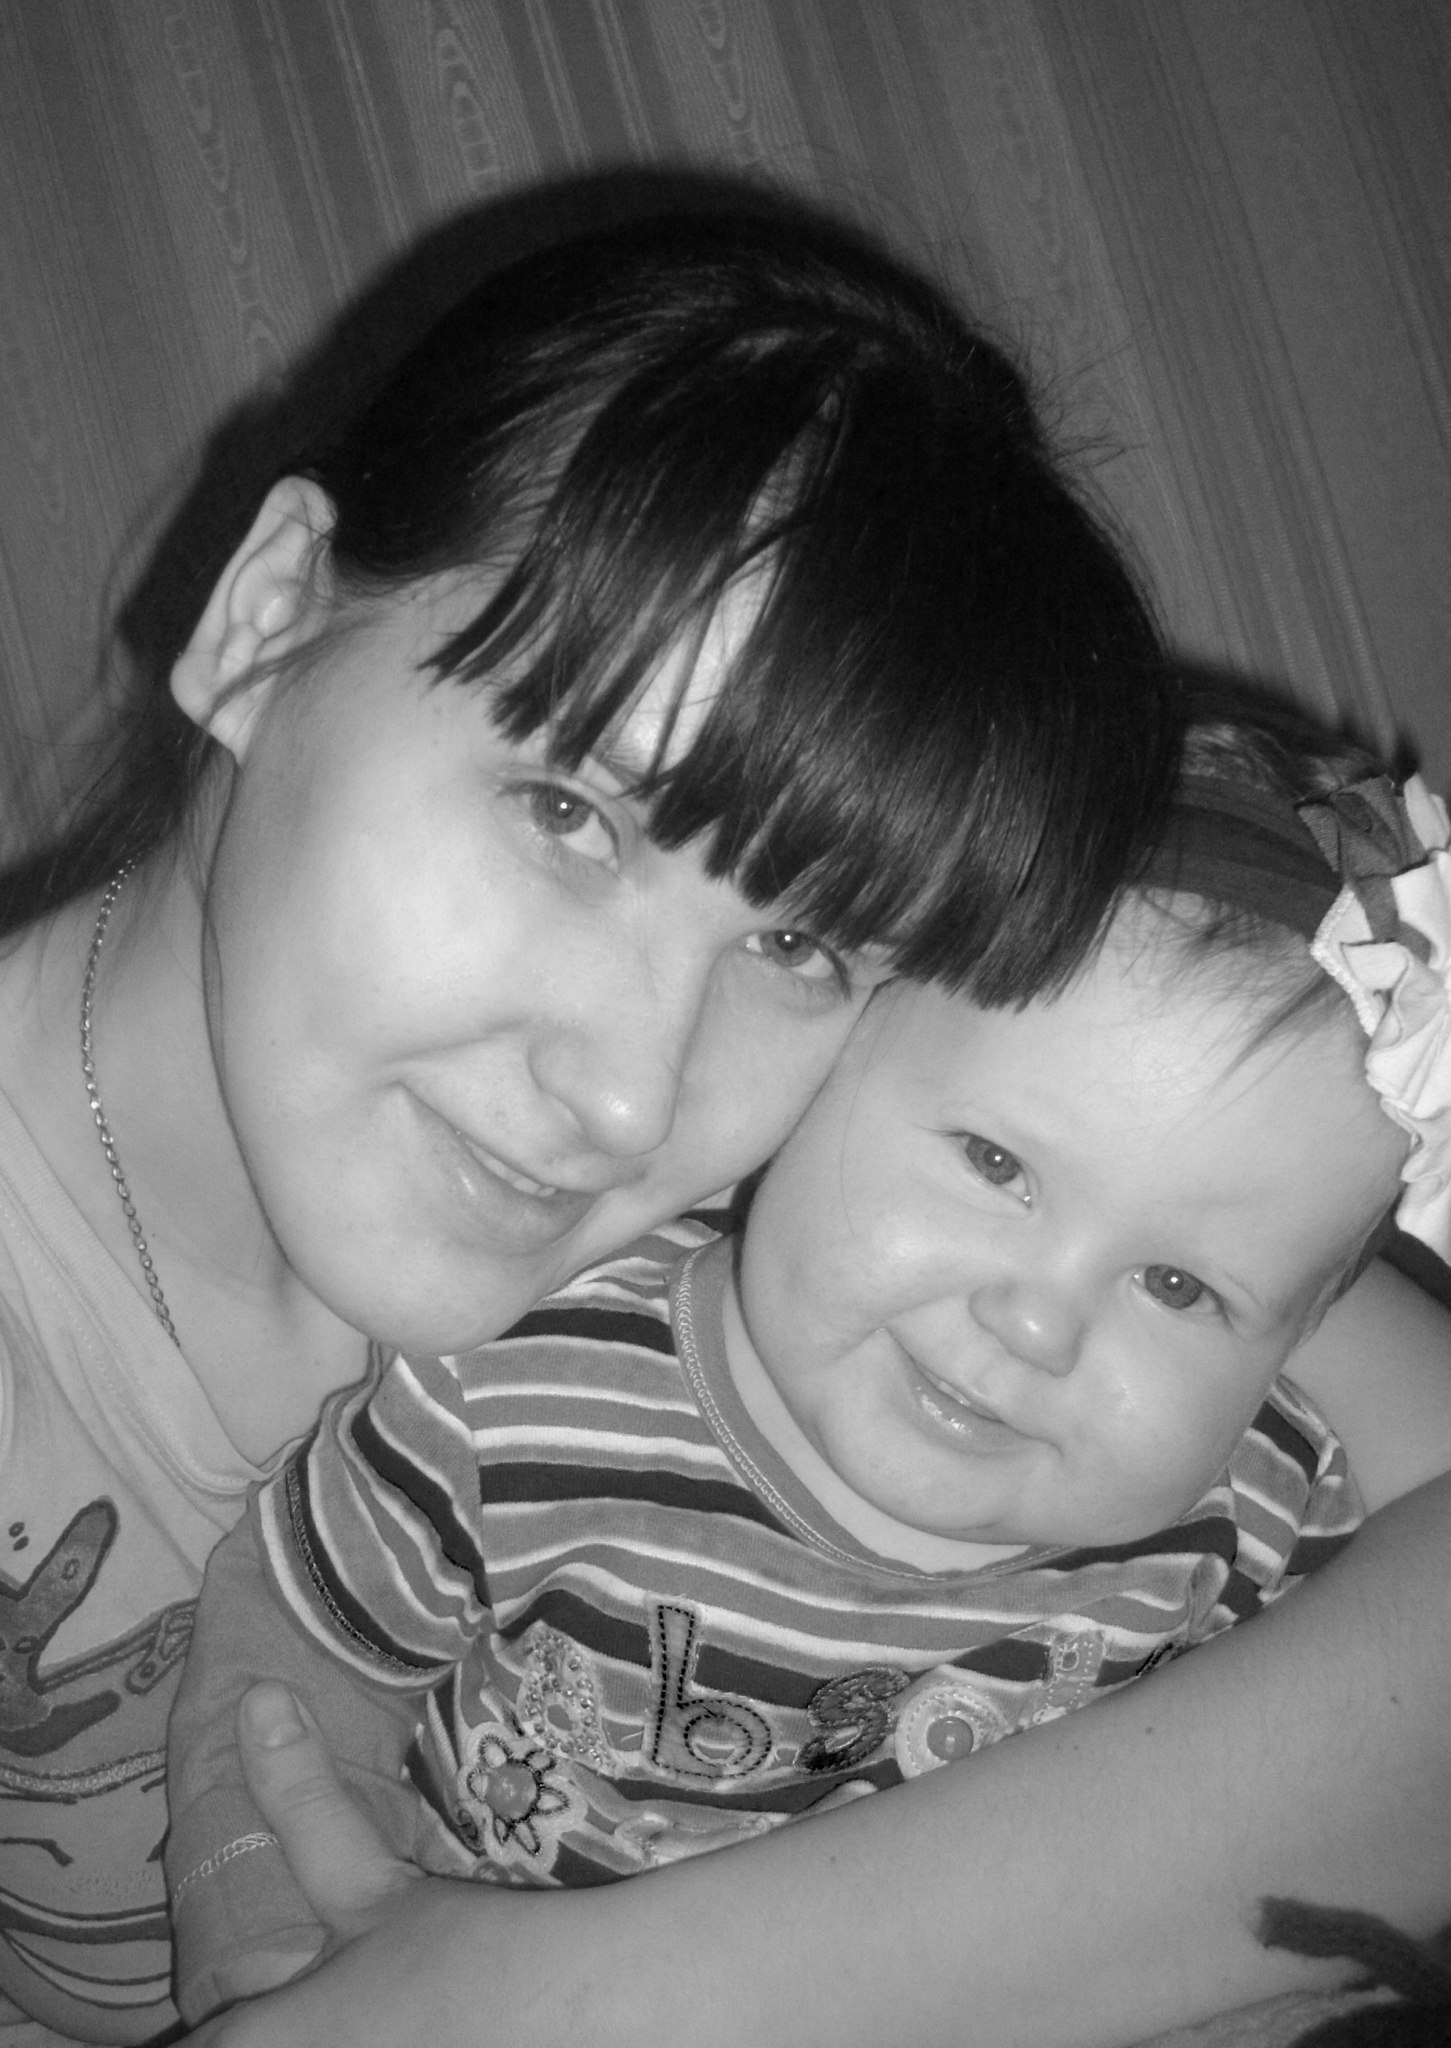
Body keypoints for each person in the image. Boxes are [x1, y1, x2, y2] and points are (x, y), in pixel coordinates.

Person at [0, 200, 1181, 2047]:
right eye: (569, 814)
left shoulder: (870, 1205)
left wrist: (575, 1992)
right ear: (266, 621)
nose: (634, 1096)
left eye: (797, 946)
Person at [162, 702, 1451, 2026]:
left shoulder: (1267, 1516)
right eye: (995, 1164)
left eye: (1179, 1286)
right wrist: (275, 1955)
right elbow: (291, 1667)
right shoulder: (512, 1399)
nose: (1038, 1323)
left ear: (1303, 1332)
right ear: (826, 1063)